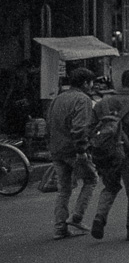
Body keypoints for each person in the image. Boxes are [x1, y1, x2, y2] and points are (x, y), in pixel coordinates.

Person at [91, 68, 129, 242]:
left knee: (110, 187)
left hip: (107, 154)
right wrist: (128, 146)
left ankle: (99, 217)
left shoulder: (103, 103)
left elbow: (91, 127)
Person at [45, 67, 98, 239]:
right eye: (91, 83)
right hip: (73, 150)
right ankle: (77, 216)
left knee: (64, 189)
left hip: (56, 149)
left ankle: (60, 228)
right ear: (85, 83)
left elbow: (48, 124)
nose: (92, 86)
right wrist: (82, 150)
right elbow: (80, 128)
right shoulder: (82, 100)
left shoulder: (58, 98)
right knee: (91, 179)